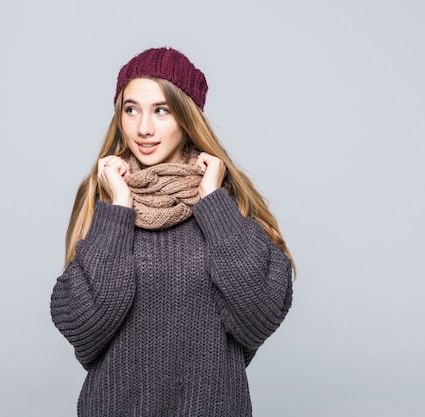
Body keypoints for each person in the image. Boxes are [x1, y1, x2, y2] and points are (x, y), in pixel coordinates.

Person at [50, 46, 294, 417]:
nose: (143, 128)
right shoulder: (103, 193)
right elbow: (84, 329)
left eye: (161, 110)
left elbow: (259, 314)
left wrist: (212, 202)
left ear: (187, 116)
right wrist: (117, 210)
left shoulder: (225, 196)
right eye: (131, 110)